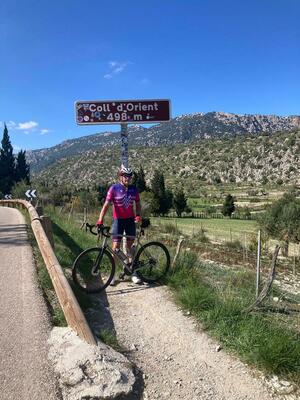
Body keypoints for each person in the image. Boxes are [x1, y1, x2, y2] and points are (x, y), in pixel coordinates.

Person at [96, 165, 142, 285]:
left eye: (129, 176)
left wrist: (138, 215)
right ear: (121, 177)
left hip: (130, 221)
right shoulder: (114, 188)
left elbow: (138, 204)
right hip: (118, 221)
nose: (128, 178)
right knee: (115, 248)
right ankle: (114, 274)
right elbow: (106, 205)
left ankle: (132, 272)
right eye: (125, 176)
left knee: (130, 248)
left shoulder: (133, 189)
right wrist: (100, 220)